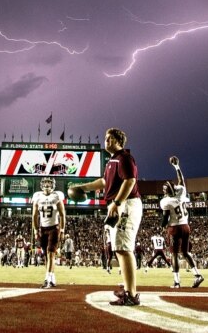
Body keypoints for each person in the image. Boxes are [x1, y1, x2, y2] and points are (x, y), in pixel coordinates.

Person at [69, 128, 142, 306]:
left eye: (109, 138)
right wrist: (83, 187)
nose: (106, 141)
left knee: (124, 249)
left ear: (118, 140)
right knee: (120, 248)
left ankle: (131, 294)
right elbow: (104, 182)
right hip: (121, 204)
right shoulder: (112, 160)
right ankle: (128, 289)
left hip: (126, 203)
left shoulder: (124, 157)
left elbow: (130, 180)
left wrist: (117, 203)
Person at [160, 156, 203, 288]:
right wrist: (177, 166)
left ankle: (177, 282)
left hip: (175, 228)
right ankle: (197, 275)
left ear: (167, 192)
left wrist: (162, 226)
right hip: (185, 226)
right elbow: (181, 180)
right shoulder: (181, 193)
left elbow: (166, 217)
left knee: (174, 254)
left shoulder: (166, 201)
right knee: (185, 253)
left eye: (164, 189)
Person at [31, 176, 66, 287]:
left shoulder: (56, 196)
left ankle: (47, 279)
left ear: (53, 185)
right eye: (45, 183)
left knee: (51, 252)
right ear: (41, 185)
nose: (47, 185)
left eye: (49, 183)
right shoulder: (37, 197)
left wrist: (62, 230)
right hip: (43, 228)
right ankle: (52, 277)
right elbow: (34, 215)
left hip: (54, 228)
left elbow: (62, 215)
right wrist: (36, 230)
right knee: (46, 255)